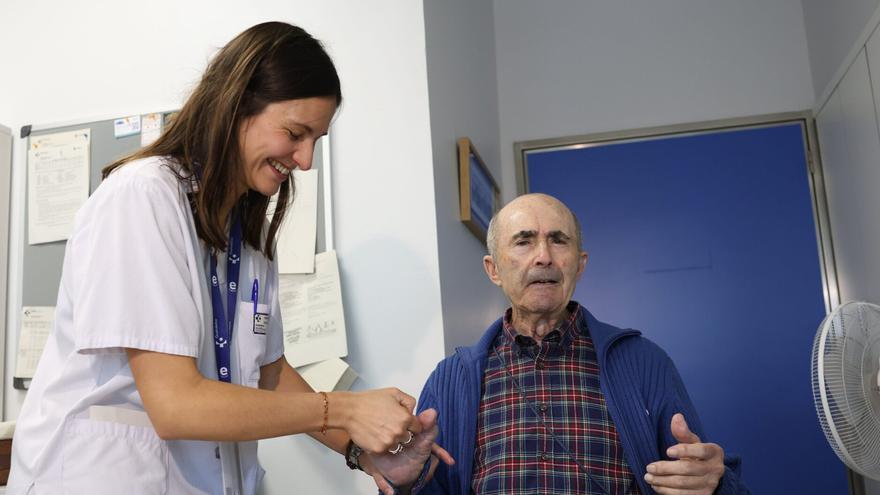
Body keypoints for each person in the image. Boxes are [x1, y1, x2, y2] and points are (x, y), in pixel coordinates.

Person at [8, 22, 447, 495]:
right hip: (101, 478)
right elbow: (175, 404)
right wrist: (344, 408)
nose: (305, 161)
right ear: (236, 105)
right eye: (296, 134)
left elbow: (269, 373)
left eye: (315, 141)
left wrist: (362, 451)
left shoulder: (245, 233)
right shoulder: (143, 198)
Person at [386, 193, 750, 494]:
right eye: (524, 240)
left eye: (559, 240)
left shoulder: (643, 363)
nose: (543, 255)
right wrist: (406, 484)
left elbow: (701, 473)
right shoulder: (452, 379)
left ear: (579, 264)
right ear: (493, 269)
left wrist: (715, 483)